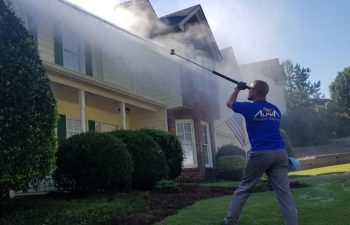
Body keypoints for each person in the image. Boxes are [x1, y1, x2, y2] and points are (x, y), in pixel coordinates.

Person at [221, 80, 298, 225]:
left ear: (255, 91)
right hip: (280, 153)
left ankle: (229, 221)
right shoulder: (276, 110)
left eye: (250, 89)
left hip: (261, 153)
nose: (248, 91)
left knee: (244, 189)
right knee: (285, 194)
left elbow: (229, 102)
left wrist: (238, 88)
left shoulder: (249, 108)